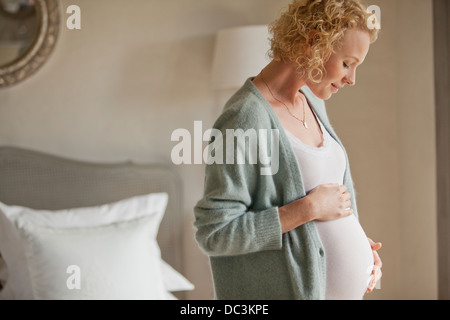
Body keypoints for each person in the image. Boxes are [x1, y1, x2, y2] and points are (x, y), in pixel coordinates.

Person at [194, 0, 382, 300]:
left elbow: (330, 200)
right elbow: (215, 233)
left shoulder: (312, 101)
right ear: (313, 41)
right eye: (347, 63)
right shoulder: (244, 119)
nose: (351, 79)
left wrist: (363, 249)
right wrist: (307, 209)